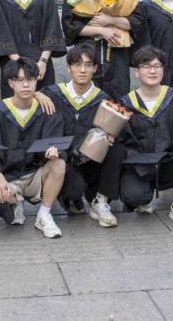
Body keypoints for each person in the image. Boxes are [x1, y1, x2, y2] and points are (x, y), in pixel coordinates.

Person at [0, 57, 85, 239]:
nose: (25, 85)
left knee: (59, 164)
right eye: (19, 80)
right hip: (9, 177)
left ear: (37, 80)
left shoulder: (47, 109)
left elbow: (54, 142)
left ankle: (44, 215)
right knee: (2, 196)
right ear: (10, 83)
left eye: (30, 79)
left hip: (37, 174)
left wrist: (54, 152)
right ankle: (16, 202)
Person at [118, 46, 173, 231]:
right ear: (137, 72)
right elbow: (122, 141)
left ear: (163, 71)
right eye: (146, 66)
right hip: (140, 167)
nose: (152, 71)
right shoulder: (126, 103)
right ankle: (144, 196)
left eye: (157, 66)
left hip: (169, 164)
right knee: (134, 197)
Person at [41, 43, 124, 227]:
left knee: (117, 149)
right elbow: (25, 96)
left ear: (95, 68)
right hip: (64, 161)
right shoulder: (53, 94)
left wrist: (111, 136)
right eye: (77, 64)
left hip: (91, 161)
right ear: (69, 68)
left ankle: (101, 200)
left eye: (88, 65)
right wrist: (37, 95)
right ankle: (72, 199)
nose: (83, 70)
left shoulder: (103, 99)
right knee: (74, 189)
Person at [61, 0, 143, 99]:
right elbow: (69, 26)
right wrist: (101, 30)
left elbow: (137, 21)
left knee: (118, 102)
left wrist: (110, 21)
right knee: (87, 100)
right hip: (86, 55)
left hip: (117, 56)